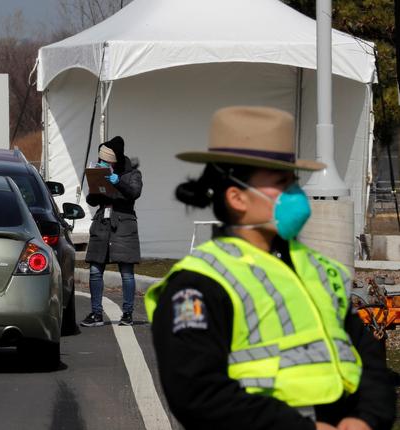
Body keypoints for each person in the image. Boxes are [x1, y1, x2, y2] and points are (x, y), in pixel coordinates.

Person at [145, 106, 396, 430]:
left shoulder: (316, 269)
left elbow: (367, 356)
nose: (296, 195)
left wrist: (366, 418)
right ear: (237, 198)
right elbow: (197, 393)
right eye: (282, 184)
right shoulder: (200, 283)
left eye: (294, 182)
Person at [81, 136, 143, 327]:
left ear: (114, 161)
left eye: (105, 161)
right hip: (102, 223)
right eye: (100, 161)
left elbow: (134, 193)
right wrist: (95, 185)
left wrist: (117, 182)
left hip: (123, 224)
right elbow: (92, 201)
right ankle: (96, 313)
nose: (102, 163)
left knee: (126, 272)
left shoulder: (132, 174)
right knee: (94, 270)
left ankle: (127, 314)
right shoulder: (100, 171)